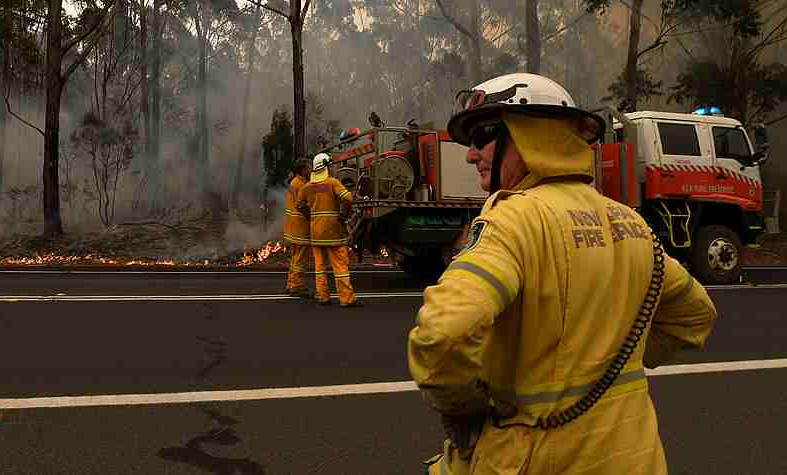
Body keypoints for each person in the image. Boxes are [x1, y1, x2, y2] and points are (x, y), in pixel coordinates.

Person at [407, 73, 718, 474]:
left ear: (532, 135)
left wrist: (464, 408)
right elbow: (695, 315)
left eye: (482, 137)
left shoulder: (512, 219)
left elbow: (442, 338)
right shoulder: (632, 223)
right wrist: (614, 359)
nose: (470, 155)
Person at [297, 152, 361, 307]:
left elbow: (299, 206)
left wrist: (311, 217)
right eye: (331, 165)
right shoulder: (333, 183)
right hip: (334, 232)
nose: (333, 168)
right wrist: (343, 214)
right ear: (326, 167)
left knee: (319, 266)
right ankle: (346, 299)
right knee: (340, 266)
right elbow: (348, 199)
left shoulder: (306, 188)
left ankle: (322, 296)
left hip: (316, 232)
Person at [283, 159, 312, 297]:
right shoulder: (300, 184)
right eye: (308, 167)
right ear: (302, 169)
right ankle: (297, 286)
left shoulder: (295, 182)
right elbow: (301, 206)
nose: (311, 169)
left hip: (293, 227)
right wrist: (312, 217)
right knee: (301, 259)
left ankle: (291, 284)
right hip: (301, 228)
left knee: (295, 258)